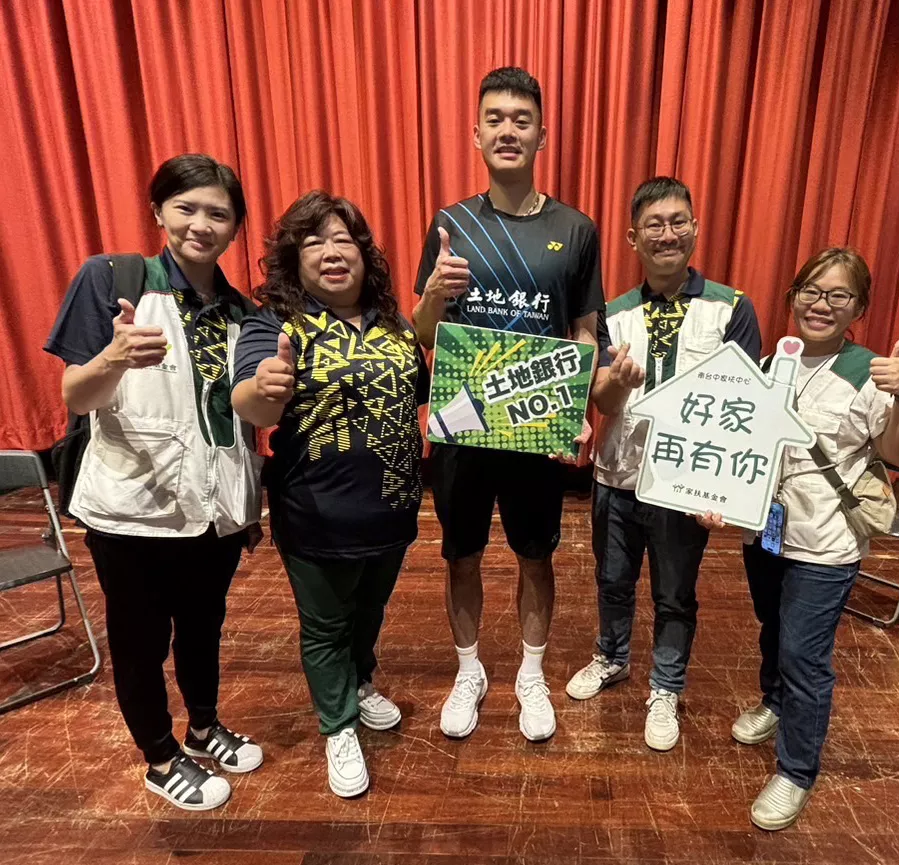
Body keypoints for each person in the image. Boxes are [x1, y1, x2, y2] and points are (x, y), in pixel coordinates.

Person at [44, 154, 265, 812]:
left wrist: (249, 504)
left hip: (214, 509)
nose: (201, 224)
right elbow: (76, 395)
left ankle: (203, 726)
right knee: (140, 641)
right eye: (186, 208)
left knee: (203, 627)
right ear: (158, 212)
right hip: (131, 509)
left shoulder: (240, 311)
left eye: (218, 213)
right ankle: (161, 757)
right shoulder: (113, 279)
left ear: (235, 227)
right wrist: (112, 357)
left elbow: (236, 417)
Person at [412, 66, 604, 742]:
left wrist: (577, 406)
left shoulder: (575, 229)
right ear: (476, 133)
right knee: (460, 555)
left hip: (535, 426)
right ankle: (469, 670)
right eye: (494, 118)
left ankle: (531, 672)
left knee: (535, 555)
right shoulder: (451, 224)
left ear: (542, 135)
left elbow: (584, 332)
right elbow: (425, 334)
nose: (507, 130)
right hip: (463, 424)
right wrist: (433, 292)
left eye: (521, 120)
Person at [232, 191, 428, 798]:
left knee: (369, 611)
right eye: (314, 242)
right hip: (316, 512)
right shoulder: (274, 324)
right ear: (295, 260)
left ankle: (360, 681)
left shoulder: (394, 325)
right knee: (324, 625)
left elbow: (428, 396)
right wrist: (265, 387)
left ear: (365, 255)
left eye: (344, 239)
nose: (332, 252)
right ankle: (337, 725)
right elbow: (252, 401)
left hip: (393, 506)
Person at [723, 247, 899, 830]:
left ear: (859, 307)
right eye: (811, 291)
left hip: (827, 542)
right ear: (793, 297)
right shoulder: (769, 363)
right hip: (766, 531)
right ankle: (773, 701)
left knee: (804, 656)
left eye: (839, 295)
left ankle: (796, 770)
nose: (821, 304)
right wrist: (719, 502)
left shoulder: (870, 372)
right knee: (772, 626)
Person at [565, 177, 762, 753]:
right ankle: (612, 656)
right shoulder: (614, 313)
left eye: (678, 222)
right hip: (618, 476)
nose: (667, 234)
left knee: (675, 594)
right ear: (633, 238)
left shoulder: (732, 308)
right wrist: (619, 384)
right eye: (654, 224)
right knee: (612, 580)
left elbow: (743, 407)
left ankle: (666, 686)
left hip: (685, 486)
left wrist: (723, 491)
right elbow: (602, 402)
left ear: (695, 229)